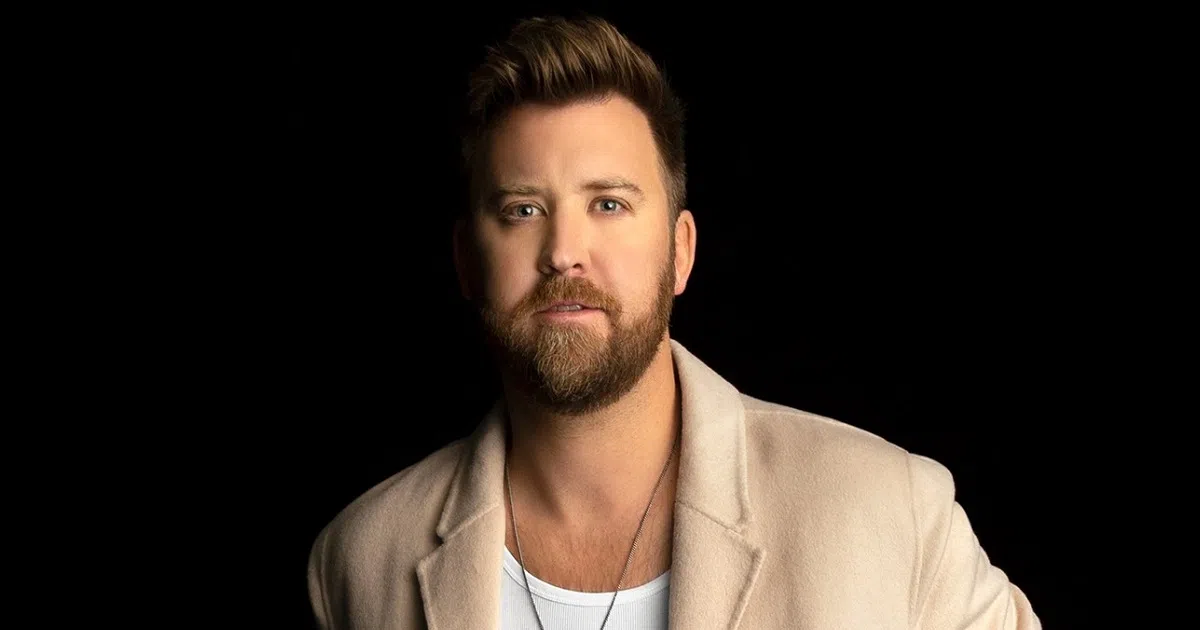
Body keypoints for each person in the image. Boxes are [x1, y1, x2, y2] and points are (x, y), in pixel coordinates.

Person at [306, 14, 1041, 629]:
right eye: (523, 209)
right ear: (467, 260)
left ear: (681, 252)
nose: (563, 252)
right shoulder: (359, 561)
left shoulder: (892, 515)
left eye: (609, 204)